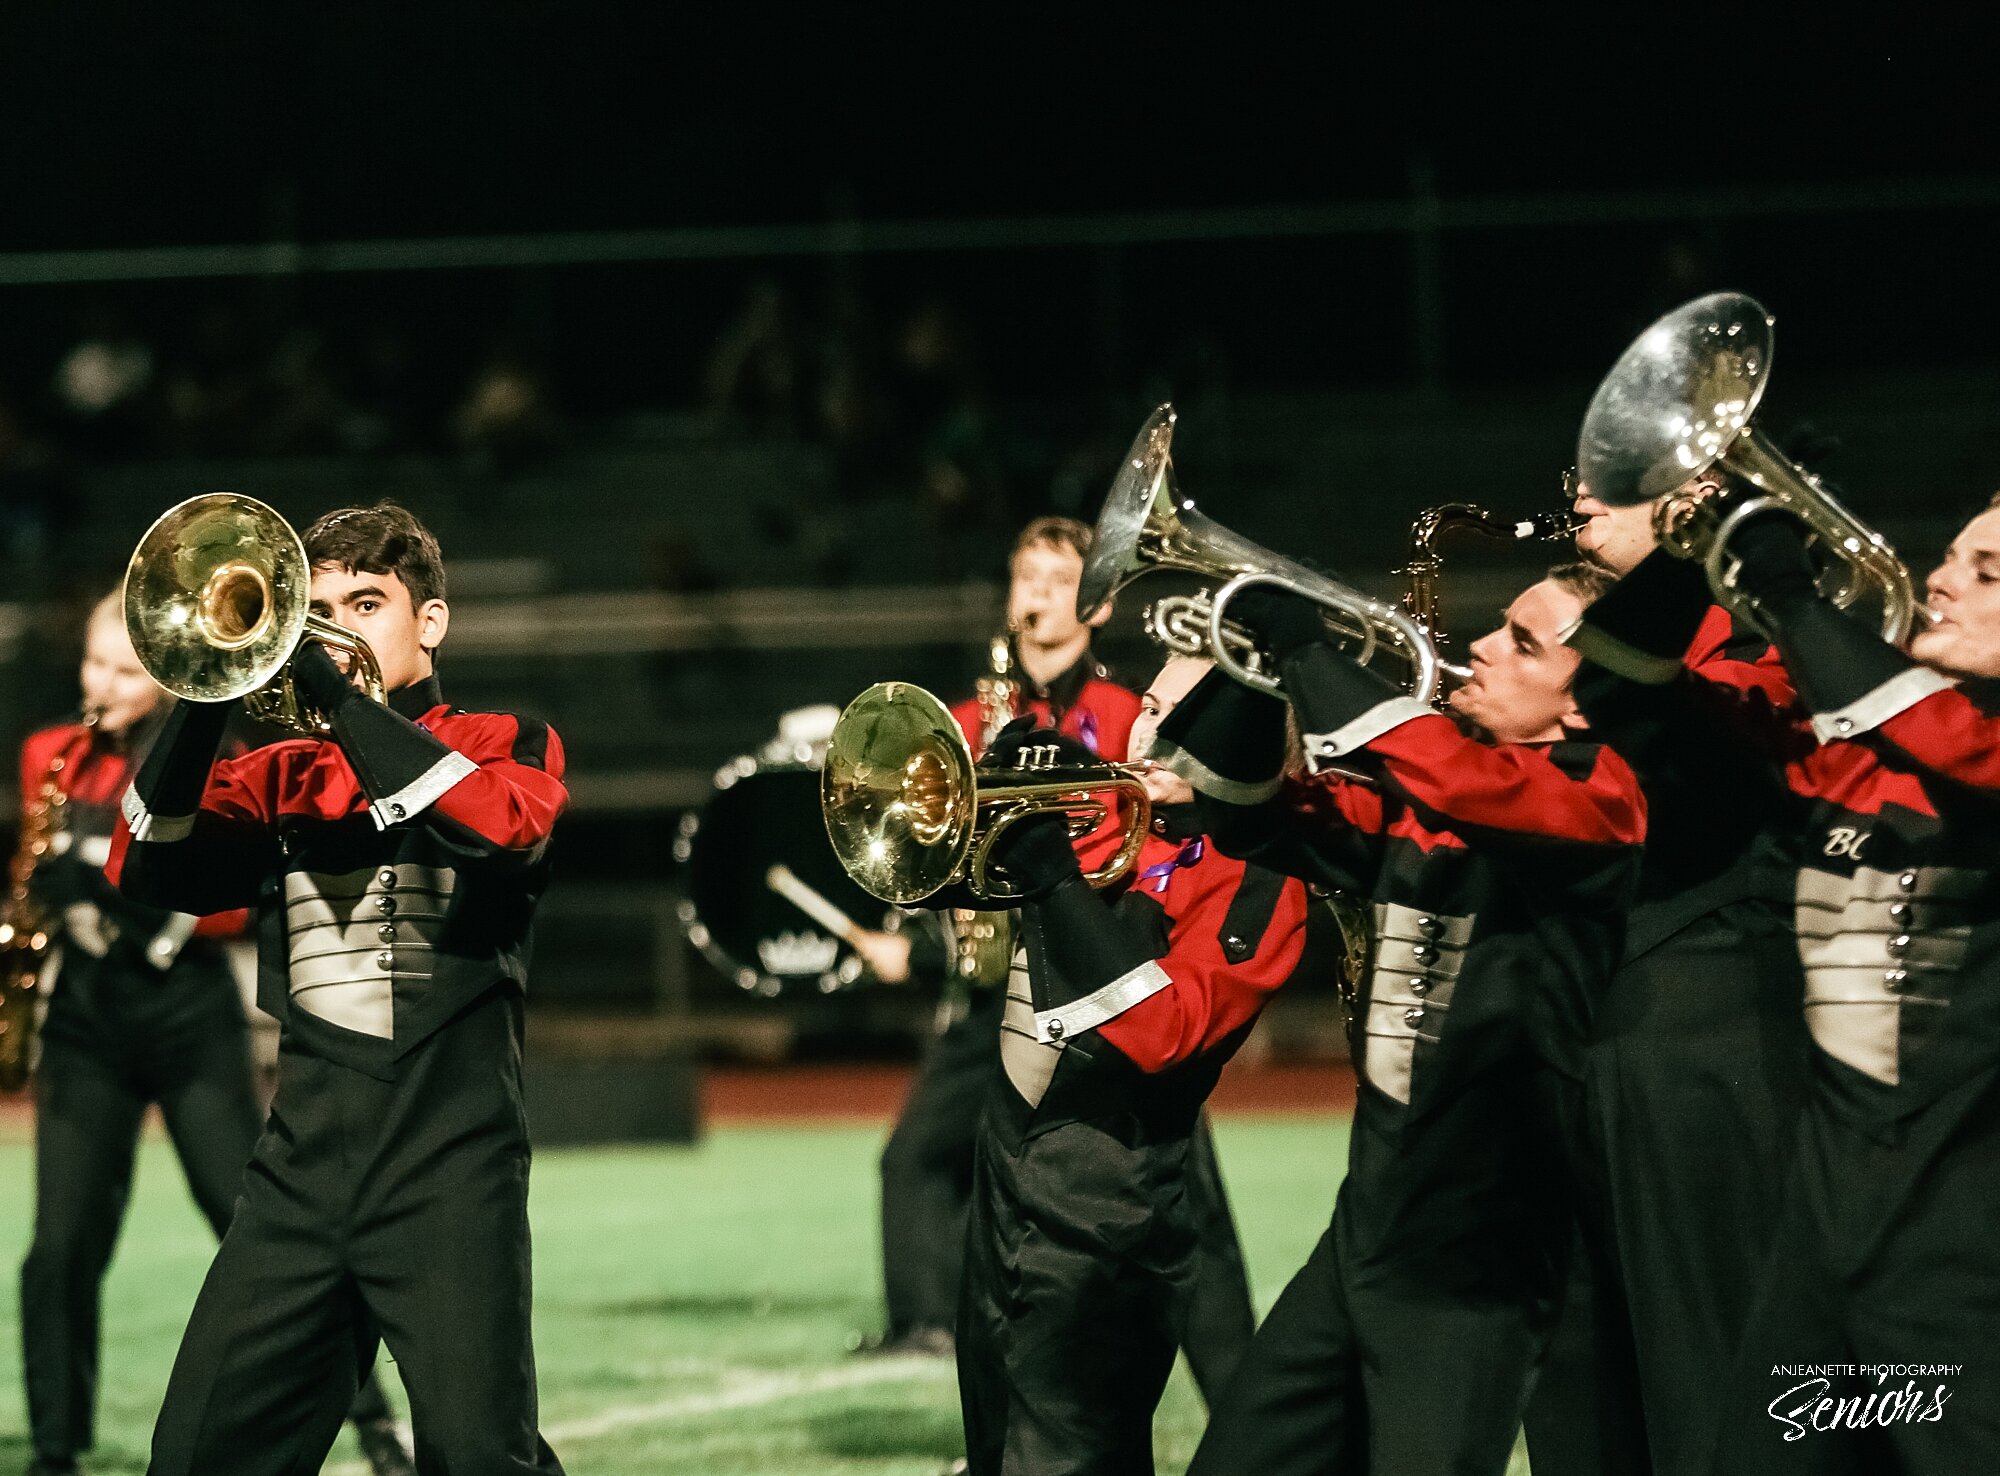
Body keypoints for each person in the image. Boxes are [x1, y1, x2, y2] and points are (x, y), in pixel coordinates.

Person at [106, 501, 568, 1476]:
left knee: (480, 1458)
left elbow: (498, 832)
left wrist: (325, 682)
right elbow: (145, 863)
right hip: (297, 1180)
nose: (335, 628)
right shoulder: (279, 774)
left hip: (450, 1174)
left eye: (367, 603)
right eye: (311, 610)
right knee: (196, 1458)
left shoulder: (504, 738)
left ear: (429, 622)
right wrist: (209, 685)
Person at [1159, 564, 1646, 1476]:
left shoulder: (1601, 799)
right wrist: (1253, 663)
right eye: (1499, 625)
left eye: (1523, 642)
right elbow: (1242, 811)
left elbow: (1462, 781)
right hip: (1366, 1232)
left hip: (1477, 1263)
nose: (1482, 648)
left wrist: (1310, 646)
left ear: (1582, 705)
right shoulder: (1437, 790)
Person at [1587, 493, 2000, 1474]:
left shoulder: (1944, 739)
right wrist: (1691, 550)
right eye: (1947, 556)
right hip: (1824, 1220)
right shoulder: (1857, 758)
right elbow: (1621, 681)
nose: (1938, 580)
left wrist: (1789, 592)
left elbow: (1948, 742)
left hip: (1965, 1235)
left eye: (1986, 575)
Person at [13, 594, 413, 1476]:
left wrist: (119, 898)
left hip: (187, 1014)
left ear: (159, 680)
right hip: (87, 1024)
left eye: (124, 670)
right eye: (93, 665)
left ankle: (374, 1417)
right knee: (60, 1249)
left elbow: (234, 902)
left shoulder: (207, 761)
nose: (103, 685)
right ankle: (53, 1451)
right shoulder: (51, 754)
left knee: (255, 1224)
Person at [951, 653, 1309, 1476]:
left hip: (1102, 1222)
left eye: (1176, 716)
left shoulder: (1262, 879)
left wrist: (1057, 882)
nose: (1145, 729)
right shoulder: (1114, 821)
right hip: (1005, 1182)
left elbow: (1170, 1032)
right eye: (1147, 705)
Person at [1517, 478, 1810, 1476]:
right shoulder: (1588, 636)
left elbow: (1679, 774)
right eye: (1578, 477)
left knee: (1706, 1371)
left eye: (1618, 477)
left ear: (1687, 499)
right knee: (1575, 1385)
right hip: (1573, 1037)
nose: (1581, 491)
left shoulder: (1753, 645)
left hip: (1705, 1035)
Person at [867, 514, 1146, 1357]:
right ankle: (928, 1324)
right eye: (1028, 578)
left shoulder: (1124, 712)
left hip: (1083, 972)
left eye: (1059, 583)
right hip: (985, 977)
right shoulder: (961, 717)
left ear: (1096, 607)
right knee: (917, 1155)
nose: (1037, 598)